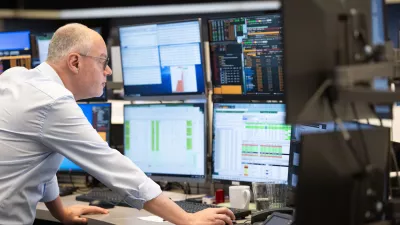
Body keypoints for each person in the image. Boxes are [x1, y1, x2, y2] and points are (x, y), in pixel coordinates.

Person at [0, 23, 235, 225]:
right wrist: (187, 219)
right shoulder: (53, 101)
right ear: (75, 62)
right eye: (103, 61)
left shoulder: (15, 77)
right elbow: (114, 167)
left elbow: (40, 163)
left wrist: (61, 213)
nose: (109, 70)